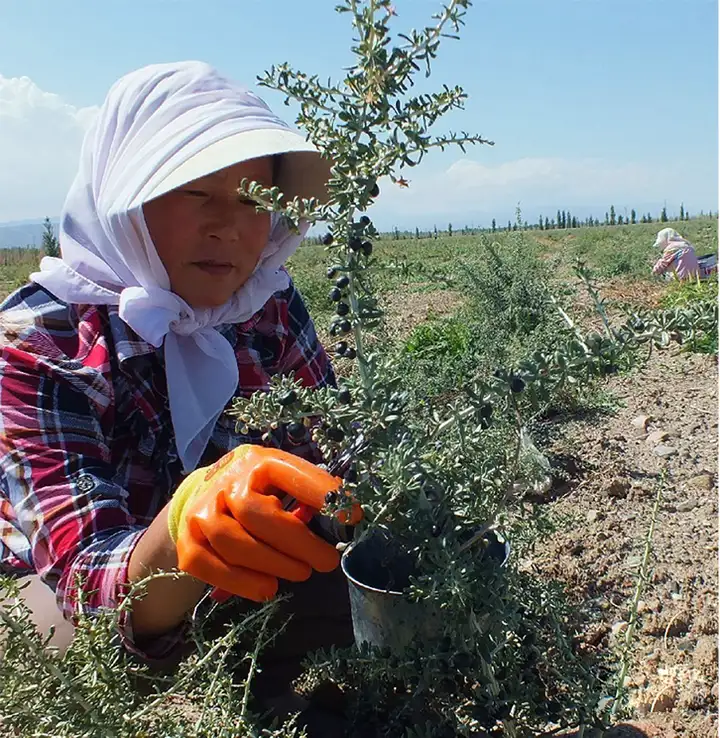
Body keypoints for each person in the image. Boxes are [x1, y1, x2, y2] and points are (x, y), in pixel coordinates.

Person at [0, 61, 360, 732]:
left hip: (240, 580)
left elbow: (336, 449)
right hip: (82, 591)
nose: (229, 225)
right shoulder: (39, 339)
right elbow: (84, 582)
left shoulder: (268, 305)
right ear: (125, 200)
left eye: (255, 198)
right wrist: (185, 526)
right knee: (60, 649)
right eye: (196, 191)